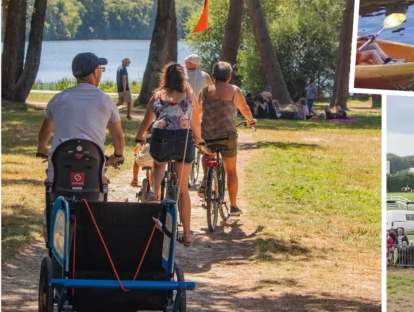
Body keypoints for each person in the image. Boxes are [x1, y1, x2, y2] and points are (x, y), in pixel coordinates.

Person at [134, 62, 206, 246]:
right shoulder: (189, 96)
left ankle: (155, 192)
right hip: (183, 140)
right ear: (183, 78)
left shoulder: (157, 95)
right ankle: (188, 234)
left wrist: (139, 136)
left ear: (164, 77)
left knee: (158, 163)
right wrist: (199, 140)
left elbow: (147, 120)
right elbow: (196, 121)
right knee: (183, 191)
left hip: (161, 139)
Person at [37, 53, 125, 184]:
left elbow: (45, 132)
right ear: (95, 72)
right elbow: (117, 136)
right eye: (101, 69)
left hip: (60, 170)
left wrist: (42, 148)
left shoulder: (58, 99)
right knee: (99, 191)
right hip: (92, 171)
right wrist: (118, 155)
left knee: (53, 192)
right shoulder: (105, 100)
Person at [198, 61, 256, 217]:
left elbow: (198, 113)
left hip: (208, 135)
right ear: (229, 77)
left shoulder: (204, 92)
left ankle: (206, 179)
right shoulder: (234, 91)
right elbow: (244, 109)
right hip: (228, 136)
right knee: (231, 171)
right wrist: (250, 120)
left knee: (207, 153)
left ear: (214, 75)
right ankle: (233, 206)